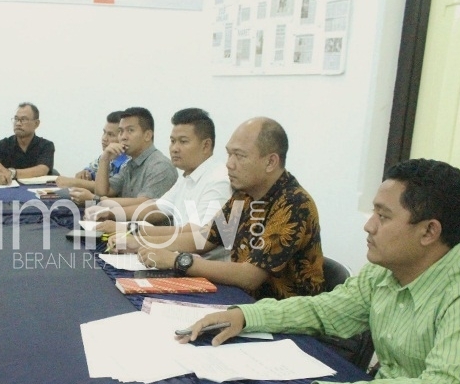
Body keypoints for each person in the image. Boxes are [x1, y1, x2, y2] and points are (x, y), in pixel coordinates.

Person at [180, 159, 460, 384]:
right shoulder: (385, 272)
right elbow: (326, 310)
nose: (369, 225)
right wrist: (247, 316)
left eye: (383, 216)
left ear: (429, 232)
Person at [123, 117, 323, 300]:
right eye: (229, 154)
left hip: (279, 315)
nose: (229, 164)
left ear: (270, 162)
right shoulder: (244, 195)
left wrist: (177, 260)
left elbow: (250, 276)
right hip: (241, 300)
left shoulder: (294, 204)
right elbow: (205, 238)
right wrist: (140, 241)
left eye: (240, 156)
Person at [93, 108, 231, 232]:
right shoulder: (186, 178)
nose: (174, 148)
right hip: (174, 249)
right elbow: (155, 208)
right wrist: (111, 214)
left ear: (206, 145)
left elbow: (195, 236)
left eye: (183, 141)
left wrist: (128, 230)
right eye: (172, 141)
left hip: (188, 252)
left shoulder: (218, 181)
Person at [84, 106, 177, 213]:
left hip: (145, 223)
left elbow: (144, 203)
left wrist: (98, 200)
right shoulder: (130, 164)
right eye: (121, 131)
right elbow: (102, 192)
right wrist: (105, 159)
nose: (123, 137)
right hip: (122, 222)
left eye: (130, 130)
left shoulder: (160, 166)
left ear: (147, 135)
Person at [55, 111, 128, 200]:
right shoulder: (106, 156)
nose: (104, 138)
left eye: (110, 135)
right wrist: (85, 173)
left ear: (122, 137)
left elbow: (107, 188)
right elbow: (91, 170)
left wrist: (74, 182)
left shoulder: (128, 161)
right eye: (104, 132)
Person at [0, 102, 55, 185]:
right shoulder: (0, 145)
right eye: (16, 119)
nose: (18, 123)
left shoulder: (46, 145)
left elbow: (42, 169)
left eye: (23, 119)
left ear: (36, 124)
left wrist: (11, 173)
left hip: (37, 190)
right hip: (9, 190)